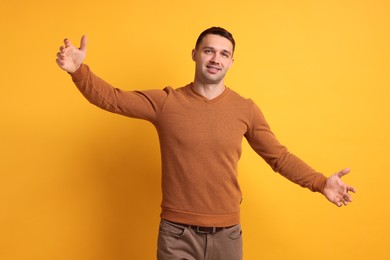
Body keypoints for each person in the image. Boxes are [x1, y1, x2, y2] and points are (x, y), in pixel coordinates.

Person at [56, 27, 356, 260]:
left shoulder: (245, 108)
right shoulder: (167, 102)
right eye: (209, 51)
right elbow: (115, 99)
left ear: (232, 61)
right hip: (176, 234)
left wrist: (320, 182)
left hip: (228, 236)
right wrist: (78, 71)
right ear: (195, 54)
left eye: (224, 54)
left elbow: (278, 157)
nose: (216, 59)